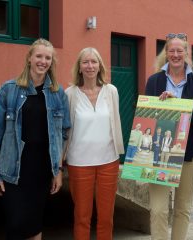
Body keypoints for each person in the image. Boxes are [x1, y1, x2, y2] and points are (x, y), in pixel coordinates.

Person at [0, 38, 71, 240]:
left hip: (42, 171)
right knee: (16, 226)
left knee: (34, 225)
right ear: (30, 58)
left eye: (47, 57)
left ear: (52, 62)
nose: (43, 61)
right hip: (14, 170)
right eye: (39, 56)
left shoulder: (58, 93)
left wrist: (58, 170)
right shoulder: (8, 90)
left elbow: (63, 135)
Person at [145, 33, 193, 240]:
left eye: (179, 50)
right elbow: (146, 115)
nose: (175, 54)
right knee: (158, 210)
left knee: (182, 210)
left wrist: (179, 105)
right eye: (171, 50)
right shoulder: (154, 80)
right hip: (159, 152)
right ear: (166, 53)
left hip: (189, 152)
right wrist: (161, 105)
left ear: (186, 53)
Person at [64, 47, 124, 240]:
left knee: (106, 217)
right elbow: (64, 130)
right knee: (82, 216)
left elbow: (115, 123)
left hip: (108, 161)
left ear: (100, 66)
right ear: (79, 68)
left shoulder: (111, 91)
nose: (90, 66)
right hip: (79, 163)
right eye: (85, 62)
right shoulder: (70, 94)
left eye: (94, 62)